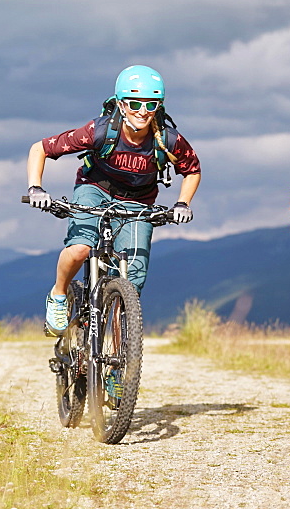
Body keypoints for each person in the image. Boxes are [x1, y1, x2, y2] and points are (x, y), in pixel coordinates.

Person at [26, 64, 202, 336]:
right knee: (81, 248)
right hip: (95, 189)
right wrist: (36, 188)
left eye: (151, 104)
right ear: (121, 104)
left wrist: (182, 204)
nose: (143, 111)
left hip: (139, 202)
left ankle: (118, 372)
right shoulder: (100, 131)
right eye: (135, 103)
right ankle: (59, 295)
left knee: (130, 284)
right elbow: (40, 149)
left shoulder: (169, 139)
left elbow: (192, 171)